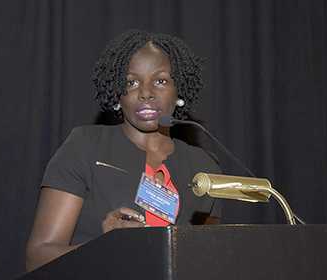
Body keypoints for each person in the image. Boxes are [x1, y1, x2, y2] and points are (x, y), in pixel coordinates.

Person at [25, 30, 221, 272]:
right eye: (132, 82)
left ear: (178, 91)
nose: (146, 92)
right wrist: (107, 246)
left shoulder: (204, 165)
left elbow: (212, 259)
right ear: (118, 93)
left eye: (160, 81)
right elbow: (38, 257)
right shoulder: (86, 146)